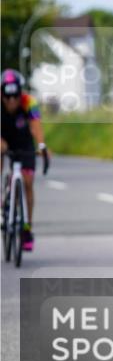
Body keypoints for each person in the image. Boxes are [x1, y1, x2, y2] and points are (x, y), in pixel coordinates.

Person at [1, 69, 49, 251]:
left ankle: (27, 228)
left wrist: (42, 146)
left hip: (23, 142)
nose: (11, 101)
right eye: (7, 96)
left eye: (15, 96)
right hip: (3, 139)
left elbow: (36, 125)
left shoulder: (29, 102)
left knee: (28, 182)